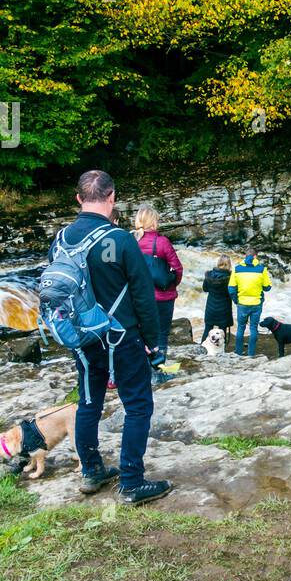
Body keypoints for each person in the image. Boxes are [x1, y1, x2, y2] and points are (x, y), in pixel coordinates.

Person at [56, 170, 172, 505]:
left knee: (89, 402)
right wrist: (154, 343)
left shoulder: (61, 239)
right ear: (112, 197)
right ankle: (132, 482)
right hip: (121, 337)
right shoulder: (120, 239)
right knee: (138, 405)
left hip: (81, 339)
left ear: (79, 199)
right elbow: (143, 296)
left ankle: (92, 470)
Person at [132, 205, 183, 359]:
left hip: (139, 297)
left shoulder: (131, 241)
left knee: (140, 333)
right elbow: (177, 268)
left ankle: (144, 369)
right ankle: (159, 368)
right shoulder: (162, 242)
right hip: (163, 297)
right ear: (154, 222)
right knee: (161, 333)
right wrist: (172, 284)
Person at [229, 245, 272, 355]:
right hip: (256, 303)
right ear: (255, 256)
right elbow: (267, 287)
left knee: (240, 328)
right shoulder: (262, 269)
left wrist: (236, 301)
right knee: (253, 328)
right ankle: (251, 354)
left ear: (245, 256)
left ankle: (238, 352)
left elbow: (231, 289)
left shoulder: (236, 269)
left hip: (242, 303)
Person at [201, 254, 234, 342]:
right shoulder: (230, 277)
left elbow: (205, 289)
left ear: (219, 263)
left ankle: (202, 349)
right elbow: (232, 292)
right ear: (229, 264)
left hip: (211, 307)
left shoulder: (209, 275)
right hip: (224, 308)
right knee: (222, 332)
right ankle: (221, 352)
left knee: (207, 329)